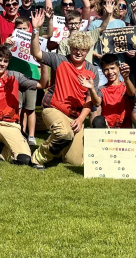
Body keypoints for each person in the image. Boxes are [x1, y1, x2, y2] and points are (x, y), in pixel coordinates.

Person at [30, 10, 100, 168]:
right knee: (64, 133)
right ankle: (39, 156)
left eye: (82, 50)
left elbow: (93, 101)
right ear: (70, 47)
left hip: (75, 117)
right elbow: (36, 53)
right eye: (75, 48)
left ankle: (60, 150)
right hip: (53, 109)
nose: (78, 52)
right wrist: (35, 31)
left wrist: (81, 119)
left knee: (75, 161)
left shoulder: (92, 71)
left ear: (87, 51)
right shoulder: (60, 60)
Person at [4, 17, 39, 146]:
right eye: (19, 29)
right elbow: (3, 54)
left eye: (25, 28)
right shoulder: (11, 40)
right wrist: (5, 44)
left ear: (29, 29)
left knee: (30, 108)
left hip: (31, 75)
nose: (23, 31)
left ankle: (31, 136)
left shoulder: (34, 40)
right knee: (17, 107)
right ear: (15, 30)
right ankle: (19, 132)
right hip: (14, 76)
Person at [88, 0, 126, 84]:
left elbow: (125, 46)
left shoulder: (121, 23)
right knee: (100, 93)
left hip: (118, 65)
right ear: (101, 5)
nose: (109, 5)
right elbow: (88, 46)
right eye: (106, 2)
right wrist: (97, 56)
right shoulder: (94, 24)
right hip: (100, 66)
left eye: (111, 2)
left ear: (115, 5)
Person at [91, 54, 136, 129]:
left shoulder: (125, 85)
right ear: (102, 71)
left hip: (125, 126)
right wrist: (91, 88)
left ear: (118, 68)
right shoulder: (102, 89)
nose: (110, 72)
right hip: (108, 127)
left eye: (112, 68)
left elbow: (132, 93)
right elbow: (97, 102)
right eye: (106, 69)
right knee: (97, 120)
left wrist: (126, 78)